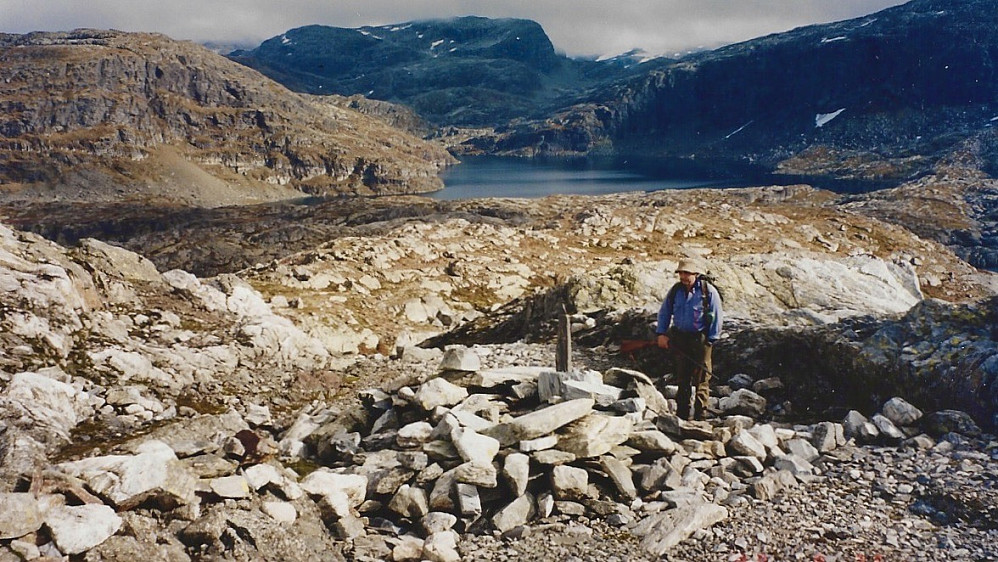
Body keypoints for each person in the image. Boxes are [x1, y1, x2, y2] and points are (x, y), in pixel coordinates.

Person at [656, 258, 723, 421]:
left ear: (696, 273)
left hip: (701, 339)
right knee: (682, 377)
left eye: (687, 273)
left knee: (701, 379)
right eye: (681, 273)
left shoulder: (709, 292)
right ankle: (682, 415)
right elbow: (665, 312)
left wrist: (711, 340)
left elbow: (717, 316)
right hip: (680, 337)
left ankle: (701, 416)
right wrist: (661, 333)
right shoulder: (675, 291)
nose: (683, 277)